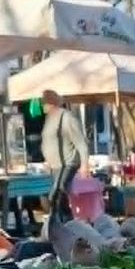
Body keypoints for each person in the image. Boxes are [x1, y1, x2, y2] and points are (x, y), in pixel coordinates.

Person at [39, 89, 89, 222]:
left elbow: (80, 142)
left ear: (52, 104)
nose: (42, 106)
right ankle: (67, 221)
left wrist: (84, 164)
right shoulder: (49, 120)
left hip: (67, 162)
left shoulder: (67, 118)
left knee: (57, 193)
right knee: (58, 197)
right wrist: (47, 159)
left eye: (44, 103)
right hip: (54, 165)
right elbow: (49, 141)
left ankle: (62, 222)